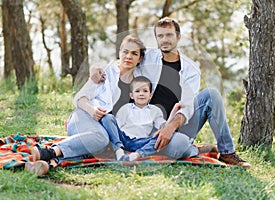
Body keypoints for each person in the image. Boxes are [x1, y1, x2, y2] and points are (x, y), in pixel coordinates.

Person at [25, 34, 208, 176]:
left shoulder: (141, 83)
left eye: (134, 53)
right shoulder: (105, 74)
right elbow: (80, 99)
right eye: (125, 51)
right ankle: (47, 152)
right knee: (101, 139)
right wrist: (92, 110)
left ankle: (48, 163)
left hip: (112, 132)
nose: (128, 56)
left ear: (140, 59)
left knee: (104, 147)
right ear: (119, 53)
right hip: (85, 118)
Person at [91, 17, 251, 169]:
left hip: (178, 125)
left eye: (169, 35)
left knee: (211, 95)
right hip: (147, 125)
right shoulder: (148, 58)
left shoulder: (191, 69)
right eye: (160, 36)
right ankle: (193, 149)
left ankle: (227, 153)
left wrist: (170, 127)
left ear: (178, 37)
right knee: (176, 149)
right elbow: (126, 60)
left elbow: (187, 106)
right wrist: (97, 68)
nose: (164, 40)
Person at [100, 76, 183, 161]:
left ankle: (137, 155)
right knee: (107, 118)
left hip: (142, 142)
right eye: (137, 91)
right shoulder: (125, 108)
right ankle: (118, 151)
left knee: (160, 136)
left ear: (150, 95)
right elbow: (116, 127)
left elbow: (164, 127)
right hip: (124, 140)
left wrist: (174, 111)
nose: (141, 94)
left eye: (145, 91)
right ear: (131, 95)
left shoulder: (155, 110)